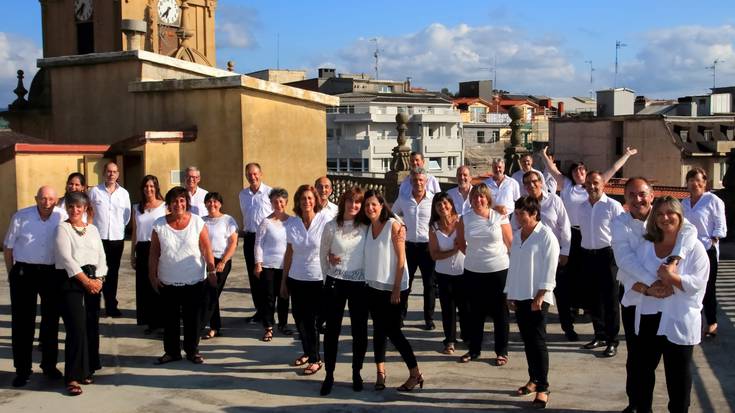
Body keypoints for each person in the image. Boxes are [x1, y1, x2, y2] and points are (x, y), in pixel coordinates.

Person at [611, 177, 695, 412]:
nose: (638, 199)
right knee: (637, 360)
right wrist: (651, 284)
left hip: (668, 299)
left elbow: (689, 228)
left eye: (642, 194)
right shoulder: (620, 222)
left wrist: (674, 260)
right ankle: (637, 404)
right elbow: (624, 260)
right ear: (625, 198)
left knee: (673, 363)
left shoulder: (664, 215)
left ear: (651, 195)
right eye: (631, 195)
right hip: (636, 295)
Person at [540, 146, 637, 339]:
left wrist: (626, 154)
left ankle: (609, 336)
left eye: (582, 170)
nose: (579, 173)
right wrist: (543, 155)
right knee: (578, 282)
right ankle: (583, 318)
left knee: (607, 292)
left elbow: (613, 169)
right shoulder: (567, 185)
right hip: (574, 237)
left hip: (599, 243)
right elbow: (552, 170)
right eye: (576, 170)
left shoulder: (603, 195)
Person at [635, 196, 709, 413]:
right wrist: (650, 288)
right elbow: (628, 276)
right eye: (659, 214)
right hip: (650, 314)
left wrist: (673, 280)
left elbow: (698, 284)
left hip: (678, 319)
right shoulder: (646, 245)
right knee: (643, 374)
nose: (665, 218)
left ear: (680, 216)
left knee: (678, 380)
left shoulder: (694, 248)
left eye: (670, 213)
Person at [362, 189, 423, 392]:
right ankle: (380, 373)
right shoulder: (366, 227)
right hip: (373, 286)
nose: (370, 208)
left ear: (382, 206)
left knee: (394, 332)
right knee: (378, 332)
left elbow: (401, 259)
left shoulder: (393, 225)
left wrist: (396, 288)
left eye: (374, 204)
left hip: (394, 287)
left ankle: (415, 373)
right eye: (367, 205)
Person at [4, 186, 65, 387]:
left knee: (50, 321)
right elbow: (8, 247)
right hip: (24, 273)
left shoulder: (61, 216)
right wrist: (11, 273)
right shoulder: (21, 217)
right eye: (42, 198)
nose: (46, 202)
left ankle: (49, 366)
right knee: (22, 323)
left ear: (56, 201)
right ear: (36, 198)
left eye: (50, 199)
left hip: (51, 273)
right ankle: (22, 370)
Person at [149, 187, 216, 365]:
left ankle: (192, 351)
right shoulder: (159, 224)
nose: (178, 204)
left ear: (186, 202)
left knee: (192, 319)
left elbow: (206, 248)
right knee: (170, 320)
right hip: (167, 280)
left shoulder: (197, 222)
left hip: (193, 279)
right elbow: (154, 254)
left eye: (181, 200)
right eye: (174, 201)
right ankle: (172, 352)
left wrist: (211, 269)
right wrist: (153, 276)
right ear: (169, 204)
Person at [506, 196, 559, 409]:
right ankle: (533, 379)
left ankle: (543, 388)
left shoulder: (546, 236)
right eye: (516, 213)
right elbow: (514, 265)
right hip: (520, 294)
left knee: (538, 342)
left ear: (534, 214)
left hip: (538, 297)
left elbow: (550, 269)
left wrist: (539, 295)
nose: (518, 217)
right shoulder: (518, 236)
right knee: (527, 341)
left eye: (522, 214)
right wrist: (509, 292)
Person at [54, 191, 107, 396]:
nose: (75, 210)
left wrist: (99, 280)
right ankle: (72, 376)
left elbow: (101, 256)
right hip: (72, 281)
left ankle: (87, 370)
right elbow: (67, 259)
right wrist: (86, 282)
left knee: (91, 326)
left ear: (85, 208)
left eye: (79, 206)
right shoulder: (63, 229)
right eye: (71, 206)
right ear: (67, 208)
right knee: (76, 328)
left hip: (94, 280)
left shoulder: (92, 229)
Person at [319, 187, 370, 395]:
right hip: (335, 282)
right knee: (332, 332)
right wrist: (327, 276)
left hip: (359, 284)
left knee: (360, 331)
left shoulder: (367, 226)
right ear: (343, 203)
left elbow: (390, 217)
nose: (354, 205)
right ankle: (329, 374)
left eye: (358, 202)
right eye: (350, 201)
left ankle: (356, 372)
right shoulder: (331, 226)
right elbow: (323, 254)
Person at [456, 183, 512, 365]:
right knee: (475, 313)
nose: (478, 200)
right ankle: (474, 350)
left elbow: (510, 242)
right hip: (473, 271)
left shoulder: (500, 216)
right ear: (470, 200)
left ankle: (501, 352)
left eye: (482, 196)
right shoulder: (465, 218)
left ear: (487, 198)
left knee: (500, 313)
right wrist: (476, 258)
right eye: (474, 197)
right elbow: (461, 244)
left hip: (499, 270)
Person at [514, 171, 573, 340]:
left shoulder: (554, 200)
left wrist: (565, 252)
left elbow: (565, 228)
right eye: (527, 183)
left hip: (554, 256)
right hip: (531, 257)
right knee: (535, 295)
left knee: (562, 296)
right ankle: (538, 331)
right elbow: (513, 229)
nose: (531, 185)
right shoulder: (522, 204)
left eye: (534, 181)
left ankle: (568, 327)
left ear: (541, 182)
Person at [280, 185, 330, 375]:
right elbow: (289, 253)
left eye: (310, 198)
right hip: (296, 278)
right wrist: (284, 281)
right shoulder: (292, 223)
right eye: (303, 199)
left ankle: (316, 359)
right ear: (298, 202)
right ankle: (308, 353)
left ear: (315, 200)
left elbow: (335, 245)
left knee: (313, 321)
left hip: (317, 279)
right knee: (300, 320)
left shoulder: (324, 220)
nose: (307, 202)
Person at [578, 171, 625, 357]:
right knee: (593, 299)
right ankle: (599, 335)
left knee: (611, 300)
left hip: (608, 255)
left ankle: (613, 340)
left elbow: (622, 233)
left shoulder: (613, 206)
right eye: (588, 183)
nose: (591, 186)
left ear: (603, 184)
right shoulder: (581, 207)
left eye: (595, 183)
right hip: (588, 255)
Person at [682, 167, 727, 338]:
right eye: (691, 181)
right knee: (688, 286)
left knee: (707, 288)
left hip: (707, 249)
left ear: (705, 183)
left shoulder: (713, 201)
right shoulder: (683, 203)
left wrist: (712, 241)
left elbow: (720, 226)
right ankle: (694, 322)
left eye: (699, 181)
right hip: (688, 250)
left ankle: (712, 322)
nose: (695, 184)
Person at [392, 167, 436, 330]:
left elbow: (439, 219)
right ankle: (400, 316)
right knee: (406, 283)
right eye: (415, 180)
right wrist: (401, 226)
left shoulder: (433, 200)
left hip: (427, 247)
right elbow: (392, 213)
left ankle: (429, 319)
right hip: (409, 246)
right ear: (410, 182)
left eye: (421, 180)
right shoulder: (404, 199)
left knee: (429, 284)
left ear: (426, 181)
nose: (418, 183)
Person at [88, 161, 131, 317]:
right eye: (109, 171)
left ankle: (111, 306)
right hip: (98, 239)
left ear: (118, 174)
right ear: (104, 173)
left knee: (112, 274)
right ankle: (94, 305)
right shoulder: (94, 192)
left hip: (116, 239)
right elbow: (89, 213)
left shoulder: (124, 193)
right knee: (96, 272)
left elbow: (126, 217)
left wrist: (117, 229)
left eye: (114, 172)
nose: (111, 174)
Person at [428, 192, 466, 354]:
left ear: (451, 204)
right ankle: (449, 341)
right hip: (443, 274)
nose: (443, 207)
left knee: (466, 308)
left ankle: (468, 336)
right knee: (447, 309)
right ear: (435, 209)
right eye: (438, 205)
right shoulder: (434, 227)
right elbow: (434, 254)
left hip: (464, 271)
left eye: (445, 203)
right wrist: (453, 250)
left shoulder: (462, 220)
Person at [130, 175, 166, 334]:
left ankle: (162, 321)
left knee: (158, 283)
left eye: (152, 186)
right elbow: (135, 232)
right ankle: (149, 321)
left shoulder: (164, 206)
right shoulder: (137, 208)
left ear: (156, 187)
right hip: (142, 248)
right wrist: (132, 254)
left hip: (158, 247)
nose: (149, 189)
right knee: (144, 286)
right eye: (146, 186)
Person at [254, 188, 292, 340]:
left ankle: (283, 324)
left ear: (286, 203)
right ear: (271, 203)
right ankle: (268, 327)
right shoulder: (266, 222)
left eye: (281, 201)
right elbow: (258, 244)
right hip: (269, 266)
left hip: (287, 266)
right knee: (269, 298)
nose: (278, 204)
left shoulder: (293, 221)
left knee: (284, 296)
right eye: (275, 201)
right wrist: (258, 263)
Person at [201, 192, 239, 339]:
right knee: (209, 293)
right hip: (205, 261)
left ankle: (203, 325)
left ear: (220, 204)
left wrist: (223, 261)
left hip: (221, 261)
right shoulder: (201, 221)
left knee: (212, 292)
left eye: (215, 201)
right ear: (205, 204)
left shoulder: (228, 220)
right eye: (209, 202)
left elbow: (233, 243)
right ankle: (215, 327)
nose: (212, 204)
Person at [239, 162, 273, 324]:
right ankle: (259, 310)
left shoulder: (269, 192)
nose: (252, 177)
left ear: (261, 174)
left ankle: (269, 312)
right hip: (250, 237)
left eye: (255, 174)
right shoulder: (243, 195)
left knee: (266, 276)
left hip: (267, 239)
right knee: (254, 276)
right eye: (249, 174)